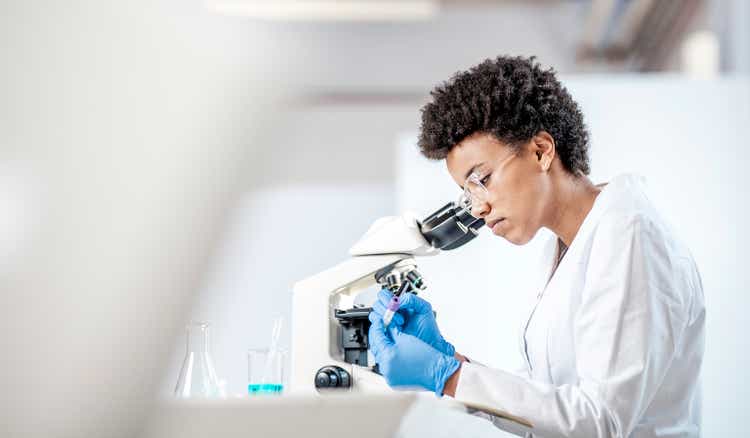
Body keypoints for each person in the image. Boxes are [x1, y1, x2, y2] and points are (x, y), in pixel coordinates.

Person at [368, 55, 705, 438]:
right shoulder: (566, 246)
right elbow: (551, 396)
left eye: (481, 179)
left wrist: (453, 378)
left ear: (542, 150)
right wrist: (453, 362)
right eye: (466, 193)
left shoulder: (628, 235)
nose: (478, 206)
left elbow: (600, 420)